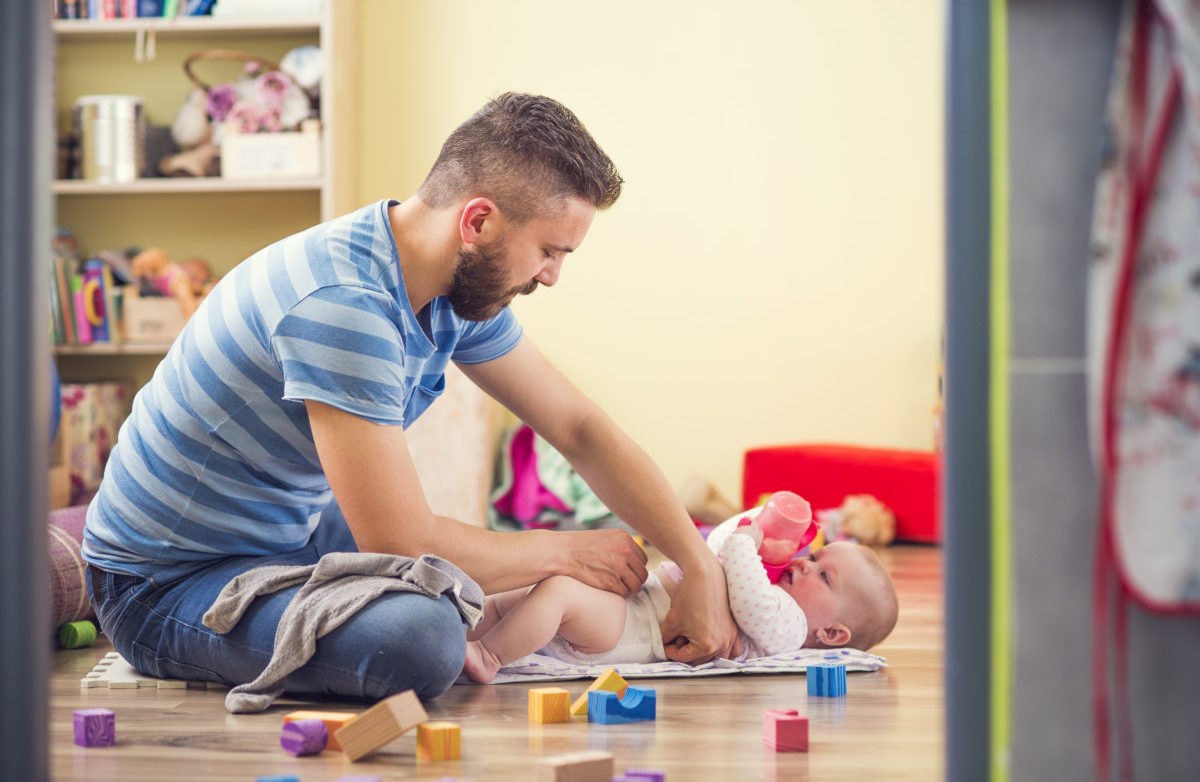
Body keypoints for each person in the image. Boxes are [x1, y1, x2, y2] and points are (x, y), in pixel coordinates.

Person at [81, 92, 738, 704]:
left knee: (461, 582)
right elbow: (400, 537)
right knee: (424, 636)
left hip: (287, 533)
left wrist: (696, 561)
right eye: (547, 250)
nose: (551, 276)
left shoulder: (450, 287)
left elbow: (579, 427)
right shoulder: (344, 305)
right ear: (478, 220)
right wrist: (565, 549)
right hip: (162, 585)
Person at [462, 509, 900, 683]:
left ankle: (489, 656)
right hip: (635, 607)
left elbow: (747, 595)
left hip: (633, 632)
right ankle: (468, 631)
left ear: (833, 633)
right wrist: (754, 525)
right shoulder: (769, 584)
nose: (804, 563)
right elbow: (713, 550)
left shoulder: (787, 626)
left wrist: (747, 545)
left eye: (824, 576)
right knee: (528, 593)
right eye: (813, 555)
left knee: (557, 594)